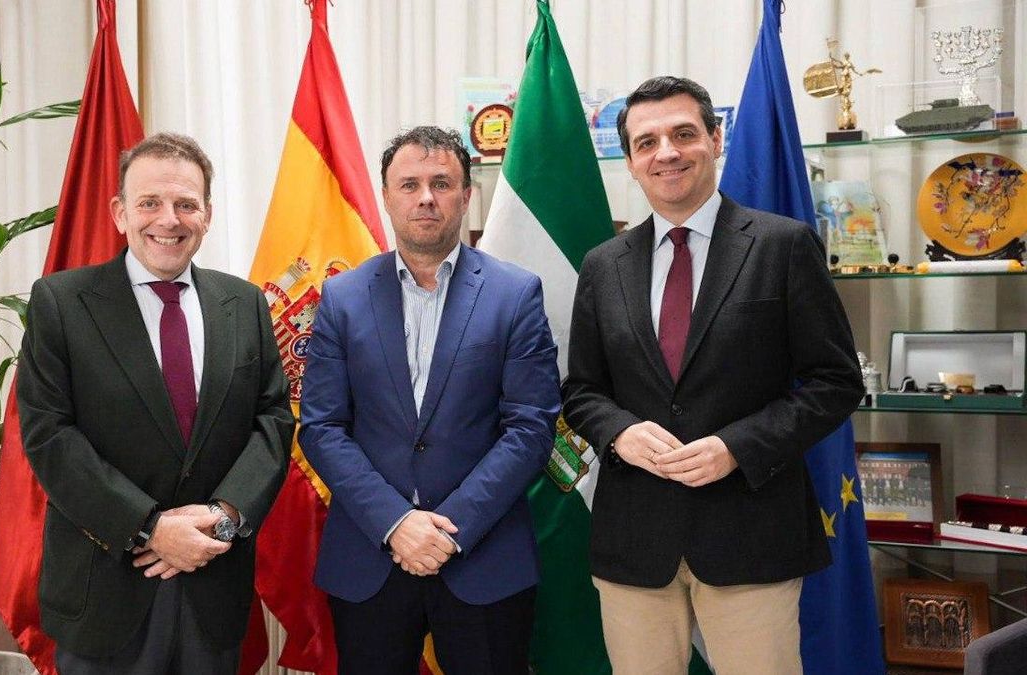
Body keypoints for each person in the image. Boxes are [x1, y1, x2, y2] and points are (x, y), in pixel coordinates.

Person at [563, 76, 863, 674]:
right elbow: (582, 390)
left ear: (715, 139)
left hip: (751, 533)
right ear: (630, 160)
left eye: (683, 134)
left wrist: (737, 446)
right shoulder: (603, 264)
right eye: (646, 142)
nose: (666, 152)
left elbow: (836, 382)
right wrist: (619, 432)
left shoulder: (782, 246)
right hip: (636, 541)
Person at [17, 132, 294, 674]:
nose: (168, 219)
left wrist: (224, 515)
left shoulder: (245, 303)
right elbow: (49, 436)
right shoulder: (62, 302)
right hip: (106, 591)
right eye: (150, 203)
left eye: (185, 204)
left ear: (206, 216)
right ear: (120, 212)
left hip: (213, 587)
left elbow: (273, 421)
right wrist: (149, 528)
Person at [298, 125, 561, 674]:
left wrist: (449, 528)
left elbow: (531, 429)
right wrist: (397, 523)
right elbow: (321, 427)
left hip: (483, 554)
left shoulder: (515, 294)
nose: (425, 197)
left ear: (467, 196)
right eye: (409, 184)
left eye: (442, 183)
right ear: (387, 196)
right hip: (371, 555)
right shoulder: (343, 298)